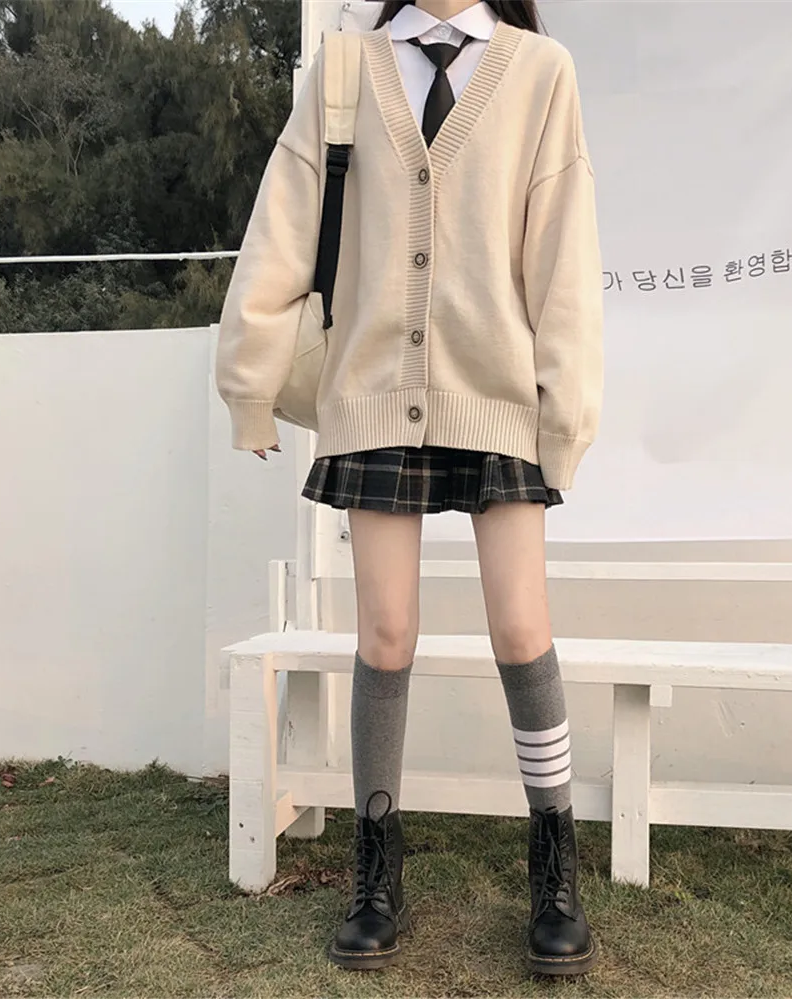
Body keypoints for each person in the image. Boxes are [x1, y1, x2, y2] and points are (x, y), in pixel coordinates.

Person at [215, 0, 604, 978]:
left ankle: (555, 862)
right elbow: (282, 225)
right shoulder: (345, 67)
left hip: (499, 396)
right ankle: (375, 869)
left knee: (522, 629)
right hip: (375, 392)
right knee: (384, 634)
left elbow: (564, 255)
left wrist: (564, 414)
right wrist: (251, 383)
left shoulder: (540, 71)